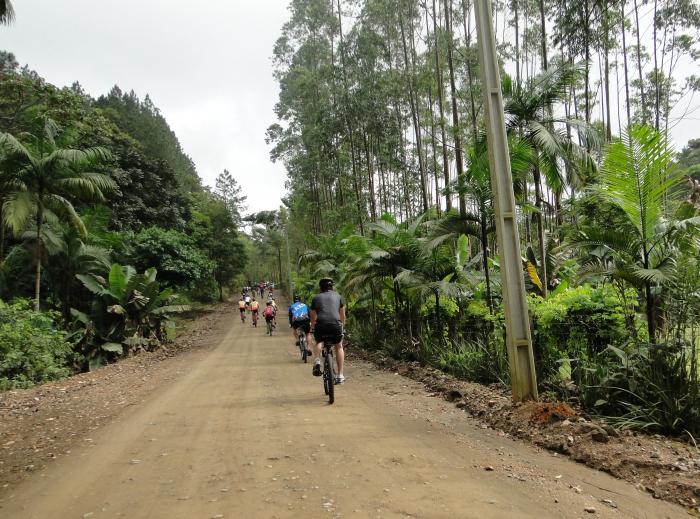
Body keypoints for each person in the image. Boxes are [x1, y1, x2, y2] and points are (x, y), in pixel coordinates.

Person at [310, 278, 346, 384]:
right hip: (336, 325)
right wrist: (342, 326)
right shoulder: (339, 296)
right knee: (338, 346)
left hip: (321, 325)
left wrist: (313, 326)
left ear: (320, 288)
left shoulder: (316, 298)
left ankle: (317, 360)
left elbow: (312, 315)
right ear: (332, 287)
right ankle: (340, 375)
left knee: (319, 341)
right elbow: (342, 315)